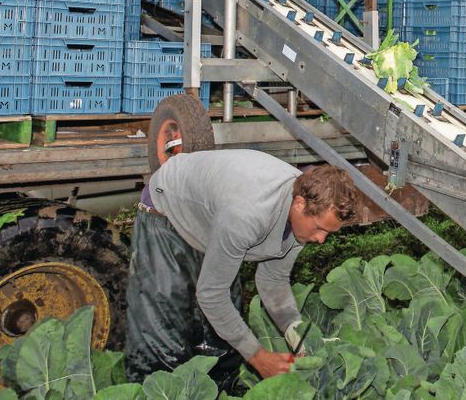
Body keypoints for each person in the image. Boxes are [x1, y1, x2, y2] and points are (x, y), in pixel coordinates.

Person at [124, 149, 359, 389]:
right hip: (169, 210)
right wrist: (258, 357)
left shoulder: (305, 211)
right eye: (320, 229)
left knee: (221, 347)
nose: (321, 239)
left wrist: (296, 332)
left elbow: (273, 279)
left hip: (216, 218)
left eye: (328, 233)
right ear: (299, 204)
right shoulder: (247, 214)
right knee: (165, 336)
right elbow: (212, 294)